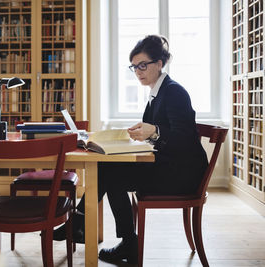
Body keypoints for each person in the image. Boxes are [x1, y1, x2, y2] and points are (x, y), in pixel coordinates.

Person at [53, 35, 208, 264]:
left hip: (182, 175)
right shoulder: (157, 93)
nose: (138, 72)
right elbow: (158, 134)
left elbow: (183, 138)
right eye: (134, 67)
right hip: (170, 165)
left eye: (143, 65)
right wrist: (139, 134)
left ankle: (86, 225)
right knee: (109, 168)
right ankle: (101, 231)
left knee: (111, 174)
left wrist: (153, 130)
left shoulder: (174, 92)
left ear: (160, 63)